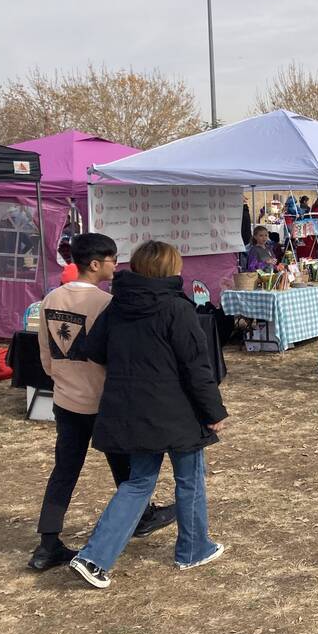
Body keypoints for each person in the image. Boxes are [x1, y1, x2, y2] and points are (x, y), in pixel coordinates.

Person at [69, 241, 228, 589]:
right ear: (171, 269)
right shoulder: (176, 308)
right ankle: (193, 548)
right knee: (189, 478)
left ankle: (94, 557)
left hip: (132, 408)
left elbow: (93, 349)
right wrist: (214, 412)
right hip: (176, 411)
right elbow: (196, 367)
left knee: (138, 482)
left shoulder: (117, 306)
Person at [29, 233, 175, 572]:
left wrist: (62, 379)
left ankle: (47, 543)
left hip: (66, 400)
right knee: (126, 468)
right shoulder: (106, 303)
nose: (116, 265)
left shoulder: (51, 299)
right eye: (112, 260)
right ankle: (142, 516)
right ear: (95, 264)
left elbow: (46, 353)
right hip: (103, 400)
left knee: (64, 471)